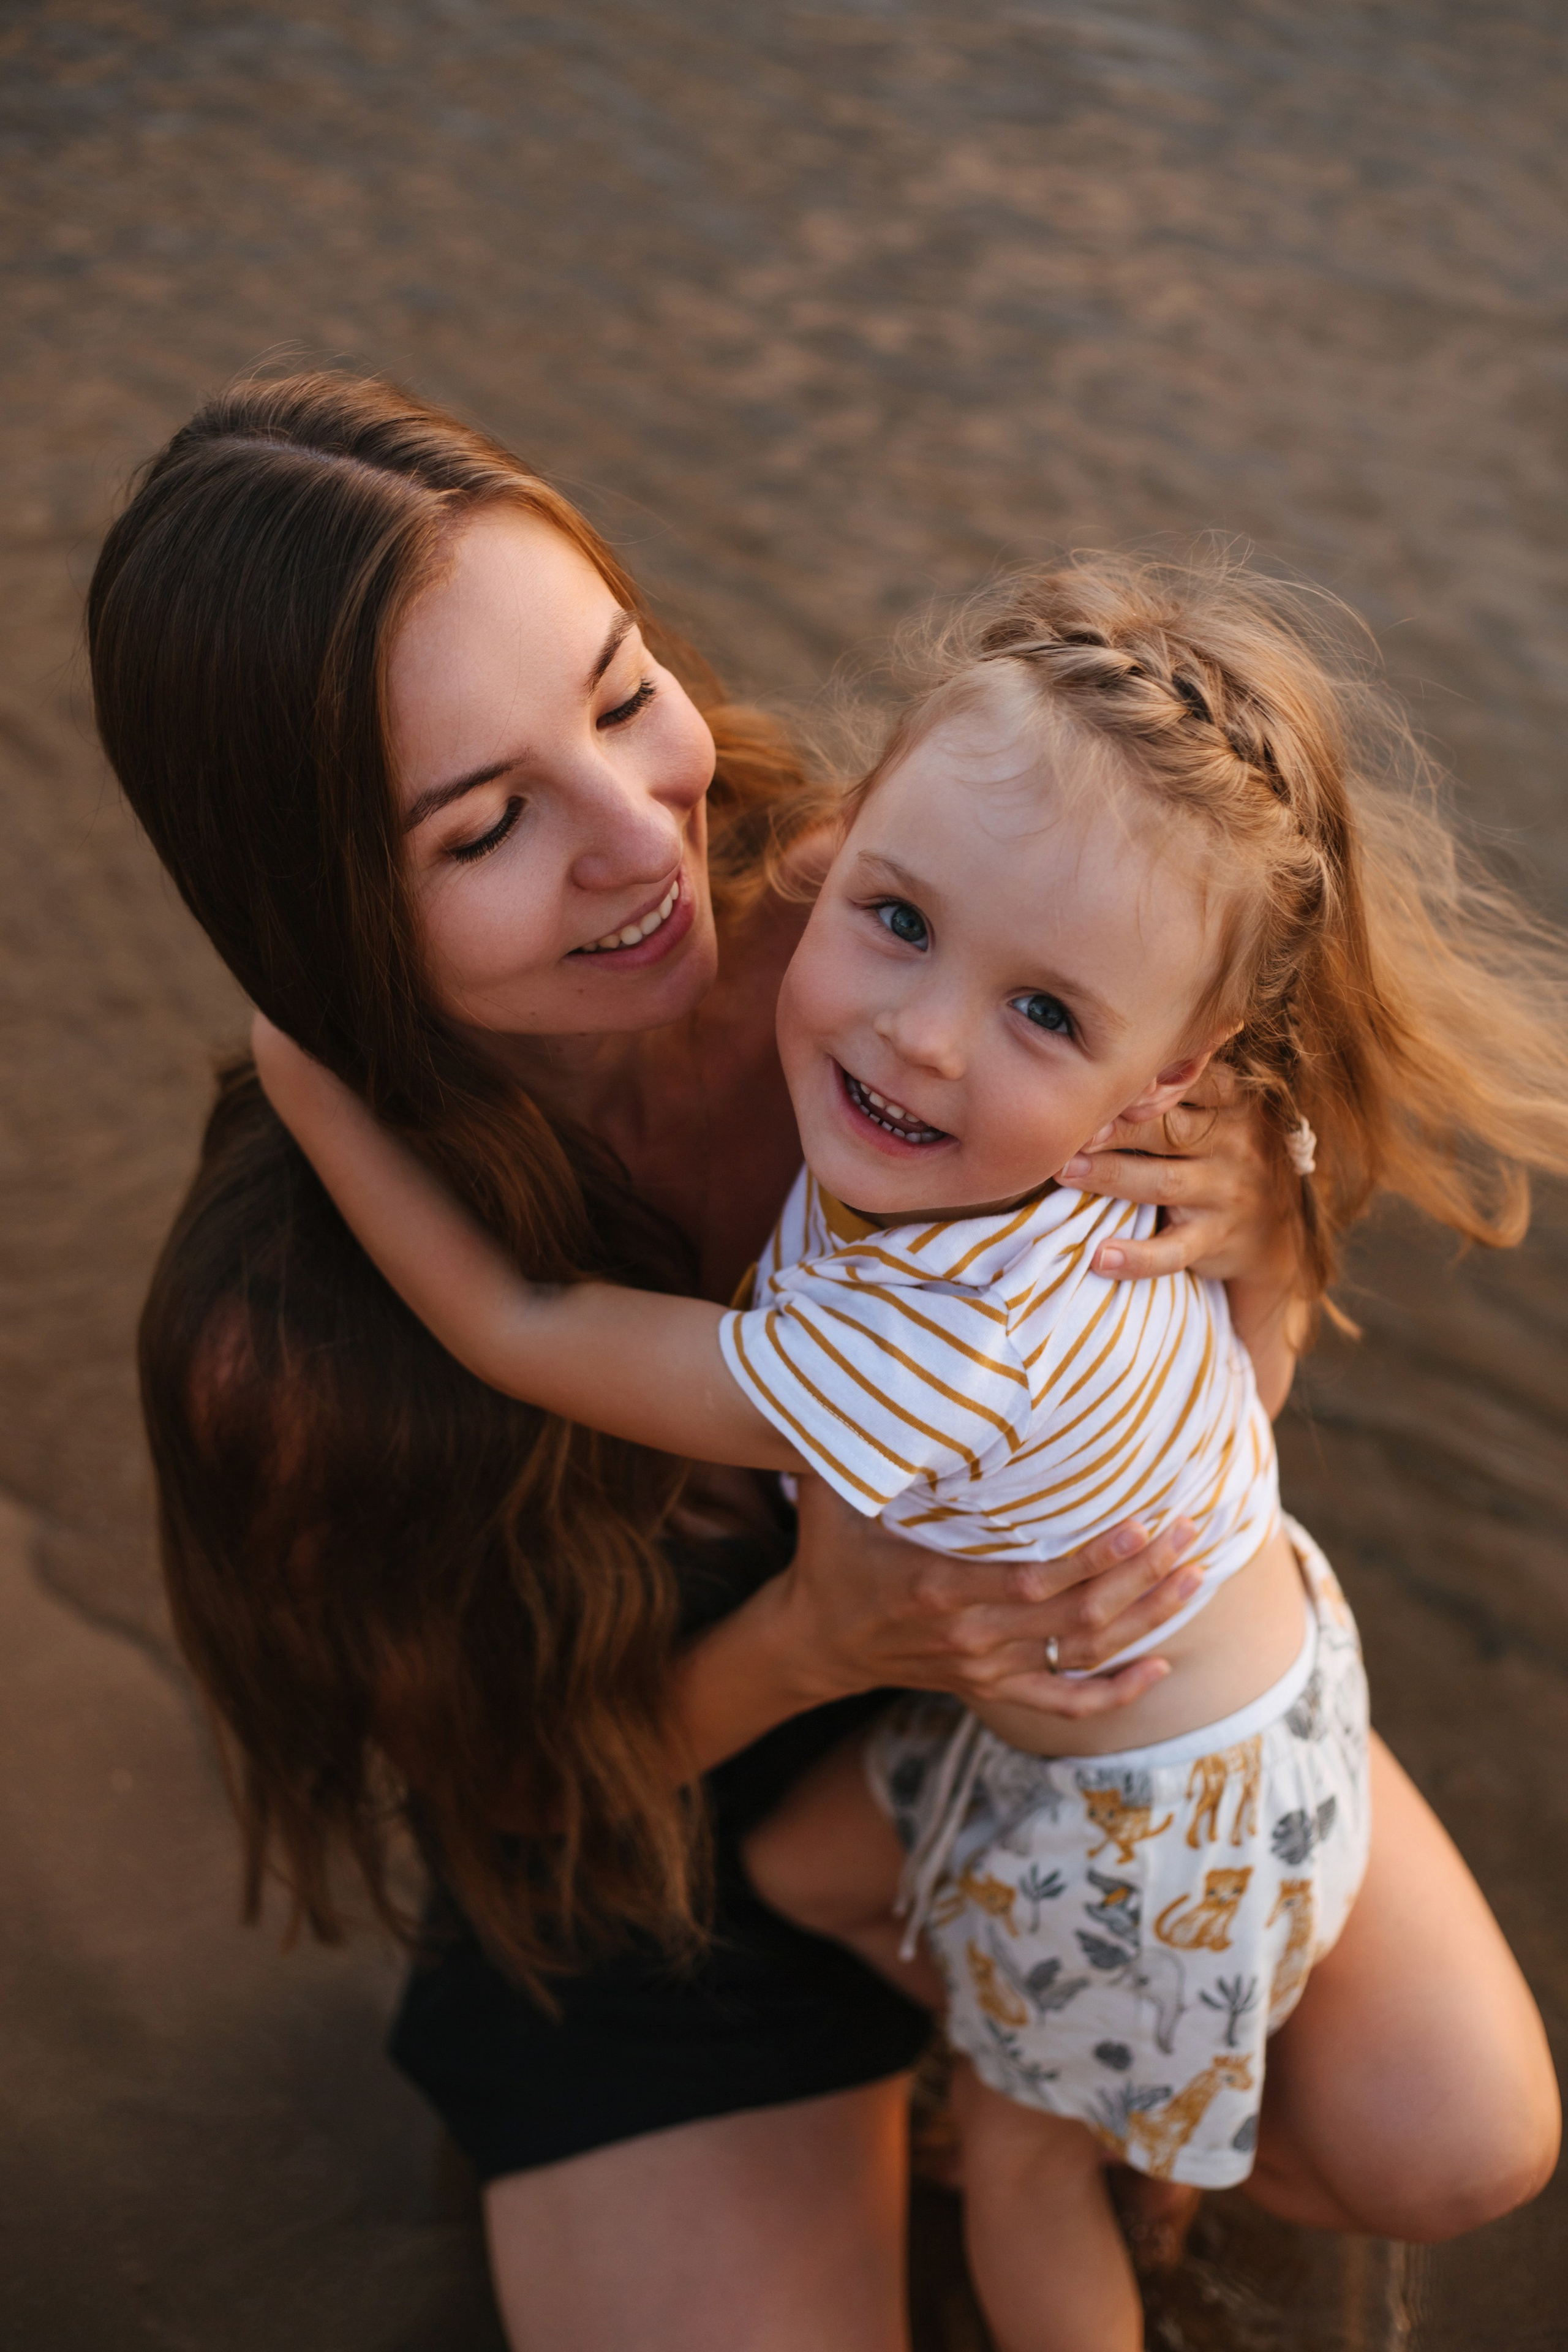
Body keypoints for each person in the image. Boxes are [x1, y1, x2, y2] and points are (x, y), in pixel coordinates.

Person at [89, 375, 1556, 2352]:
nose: (642, 843)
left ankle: (1018, 2058)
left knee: (1455, 2147)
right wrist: (833, 1633)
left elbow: (1256, 1059)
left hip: (1083, 1730)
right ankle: (970, 2047)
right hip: (661, 1856)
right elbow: (503, 1792)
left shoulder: (886, 924)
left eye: (620, 697)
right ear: (319, 912)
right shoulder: (294, 1328)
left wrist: (1258, 1186)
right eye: (491, 822)